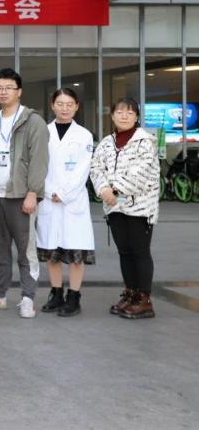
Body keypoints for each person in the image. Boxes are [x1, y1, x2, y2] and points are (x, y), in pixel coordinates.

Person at [0, 68, 49, 319]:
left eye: (8, 88)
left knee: (26, 250)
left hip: (20, 196)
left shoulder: (33, 121)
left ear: (19, 92)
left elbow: (39, 160)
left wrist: (33, 192)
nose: (3, 92)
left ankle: (28, 297)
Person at [90, 97, 161, 319]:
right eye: (120, 112)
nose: (124, 116)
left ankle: (144, 300)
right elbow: (96, 168)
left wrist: (114, 190)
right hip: (114, 208)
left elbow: (141, 173)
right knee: (124, 252)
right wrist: (103, 189)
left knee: (140, 252)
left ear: (136, 116)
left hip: (140, 208)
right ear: (112, 115)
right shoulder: (106, 143)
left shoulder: (145, 142)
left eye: (130, 112)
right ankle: (131, 294)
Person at [36, 88, 96, 317]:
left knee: (75, 253)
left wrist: (64, 193)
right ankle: (56, 294)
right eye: (60, 104)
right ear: (52, 105)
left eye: (69, 104)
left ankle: (74, 297)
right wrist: (49, 191)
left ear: (76, 106)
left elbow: (83, 169)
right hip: (48, 198)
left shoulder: (84, 135)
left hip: (73, 201)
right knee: (52, 252)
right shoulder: (43, 131)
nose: (64, 108)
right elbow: (38, 165)